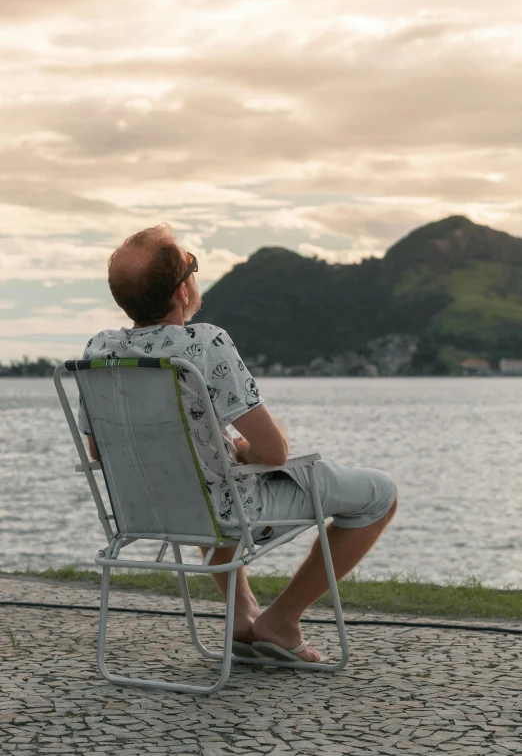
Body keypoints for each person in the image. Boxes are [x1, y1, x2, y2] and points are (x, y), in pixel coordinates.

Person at [78, 223, 398, 662]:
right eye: (192, 265)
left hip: (151, 510)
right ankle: (281, 621)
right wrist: (242, 450)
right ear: (182, 292)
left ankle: (243, 619)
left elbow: (98, 451)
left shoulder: (99, 351)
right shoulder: (204, 343)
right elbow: (273, 453)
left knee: (199, 479)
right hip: (227, 513)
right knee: (379, 495)